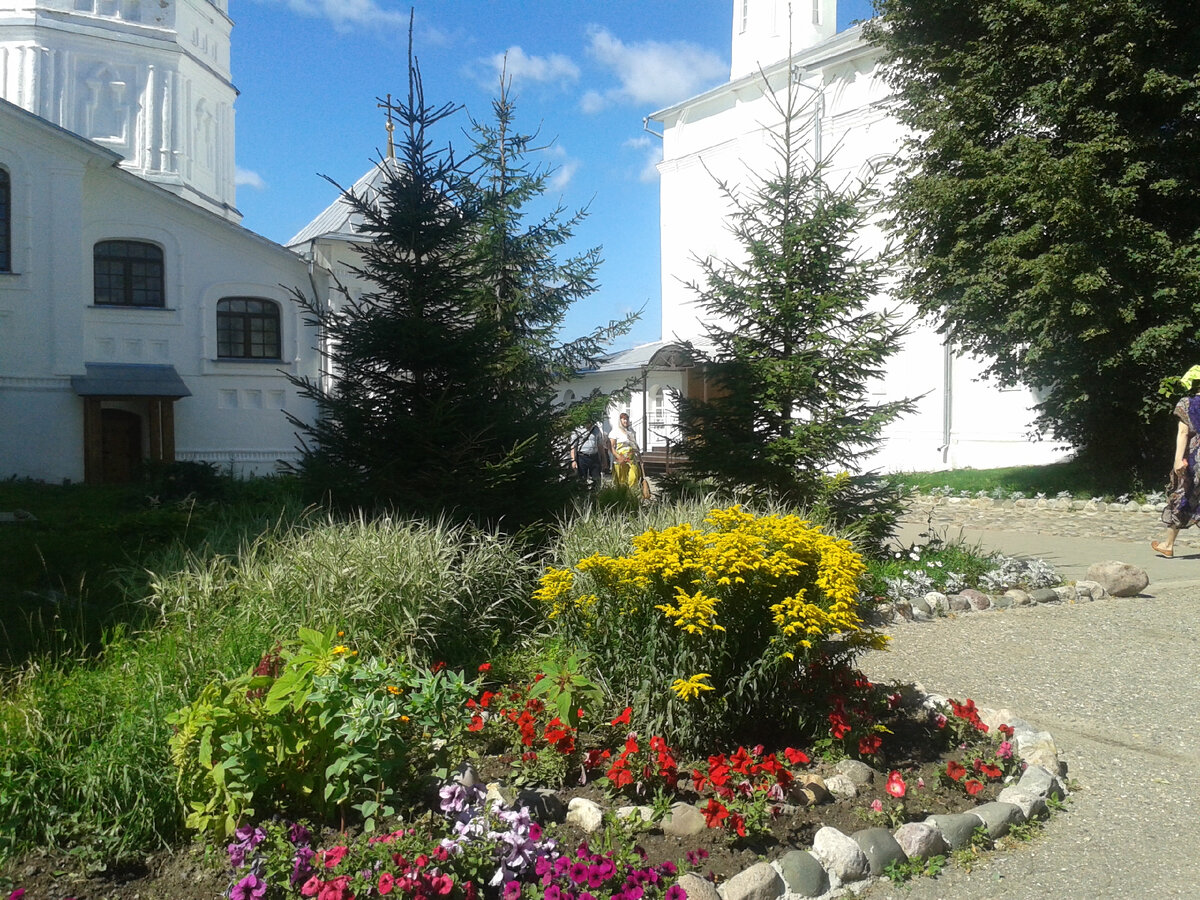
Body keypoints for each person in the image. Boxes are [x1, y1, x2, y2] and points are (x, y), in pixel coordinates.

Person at [1152, 364, 1200, 558]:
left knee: (1184, 496)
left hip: (1196, 457)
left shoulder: (1187, 404)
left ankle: (1168, 544)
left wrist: (1178, 460)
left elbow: (1183, 432)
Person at [609, 411, 642, 492]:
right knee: (621, 481)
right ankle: (622, 498)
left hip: (631, 459)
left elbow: (635, 446)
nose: (625, 421)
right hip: (620, 459)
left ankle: (632, 496)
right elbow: (611, 447)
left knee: (633, 477)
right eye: (623, 419)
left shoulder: (631, 432)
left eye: (627, 419)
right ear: (620, 420)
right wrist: (618, 457)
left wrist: (640, 459)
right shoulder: (615, 431)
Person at [571, 421, 607, 490]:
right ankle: (582, 495)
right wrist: (573, 460)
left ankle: (596, 494)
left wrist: (604, 459)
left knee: (596, 479)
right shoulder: (577, 429)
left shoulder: (596, 429)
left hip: (594, 456)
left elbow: (600, 446)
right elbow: (573, 447)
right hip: (582, 457)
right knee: (582, 479)